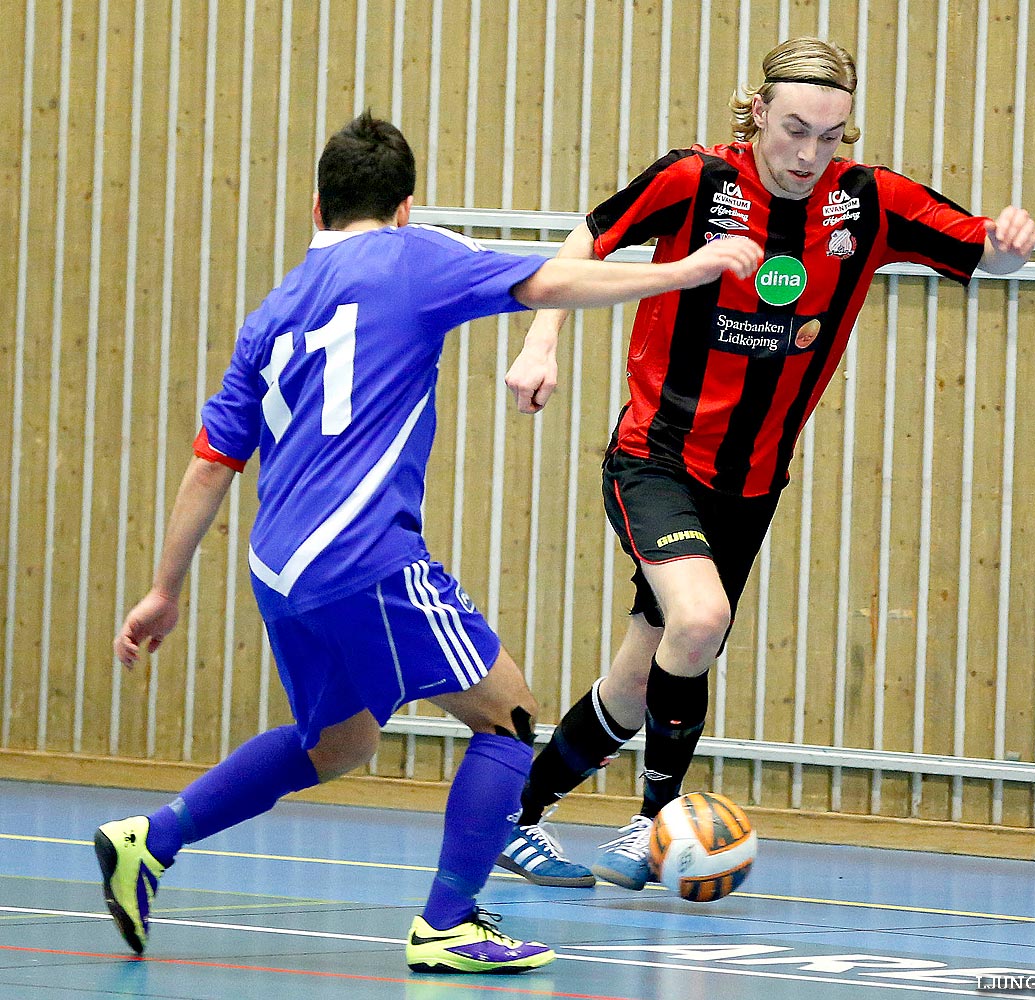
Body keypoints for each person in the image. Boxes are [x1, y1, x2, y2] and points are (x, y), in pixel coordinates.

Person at [94, 111, 763, 974]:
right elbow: (556, 282)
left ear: (314, 207)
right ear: (406, 207)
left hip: (277, 565)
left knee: (338, 744)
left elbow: (210, 463)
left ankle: (154, 836)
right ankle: (449, 922)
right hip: (363, 552)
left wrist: (164, 589)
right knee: (509, 715)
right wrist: (691, 267)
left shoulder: (274, 310)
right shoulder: (415, 258)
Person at [496, 36, 1035, 891]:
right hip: (656, 456)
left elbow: (983, 252)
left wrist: (1010, 242)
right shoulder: (695, 181)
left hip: (751, 485)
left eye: (830, 135)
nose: (808, 154)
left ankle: (513, 817)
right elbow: (585, 244)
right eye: (793, 130)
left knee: (640, 682)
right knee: (701, 623)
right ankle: (655, 822)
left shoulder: (868, 203)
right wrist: (542, 338)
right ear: (756, 112)